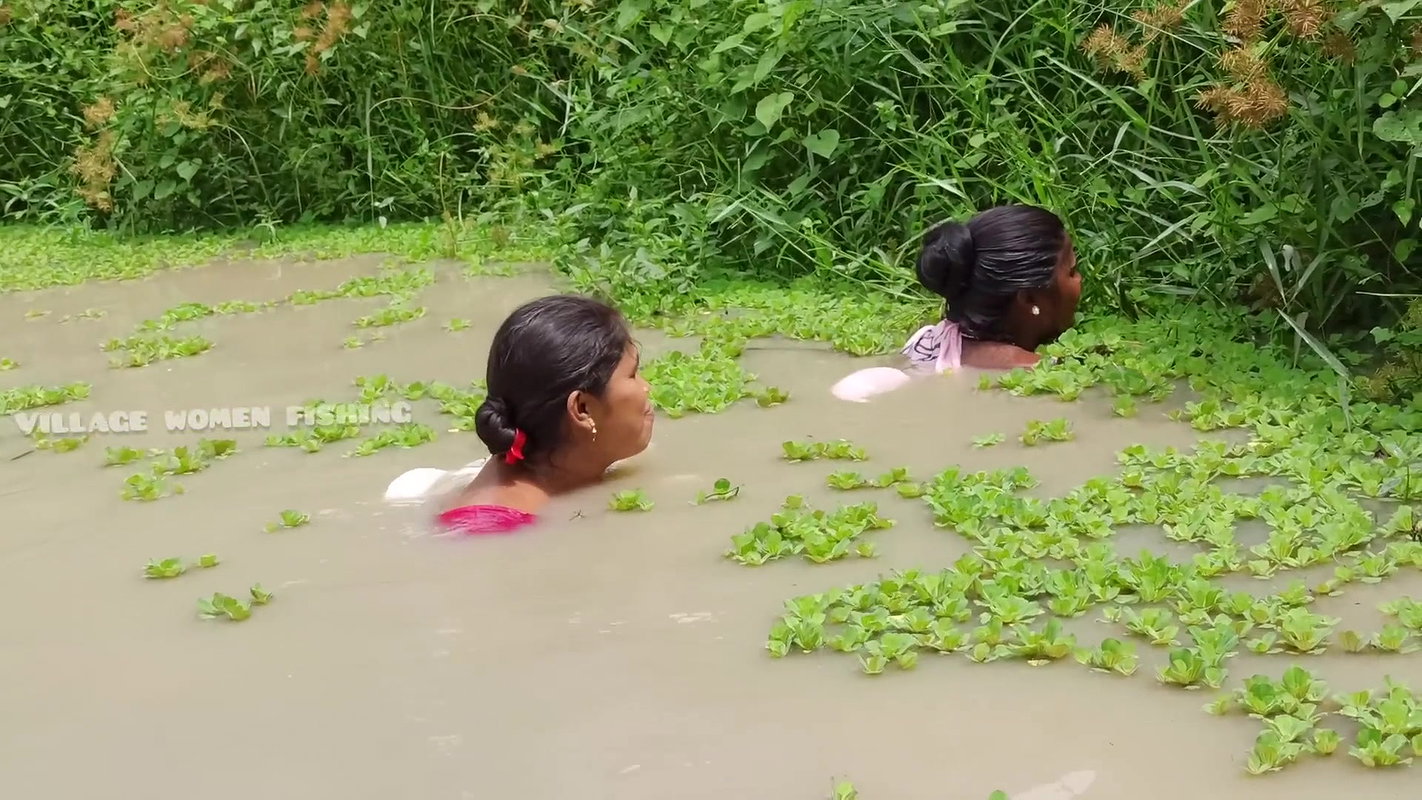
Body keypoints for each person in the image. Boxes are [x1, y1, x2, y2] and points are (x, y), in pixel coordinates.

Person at [384, 294, 655, 534]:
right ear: (582, 409)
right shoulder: (492, 531)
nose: (647, 387)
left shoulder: (557, 472)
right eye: (633, 375)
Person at [831, 204, 1082, 402]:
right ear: (1029, 298)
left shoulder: (926, 338)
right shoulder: (1031, 369)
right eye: (1072, 271)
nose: (1080, 279)